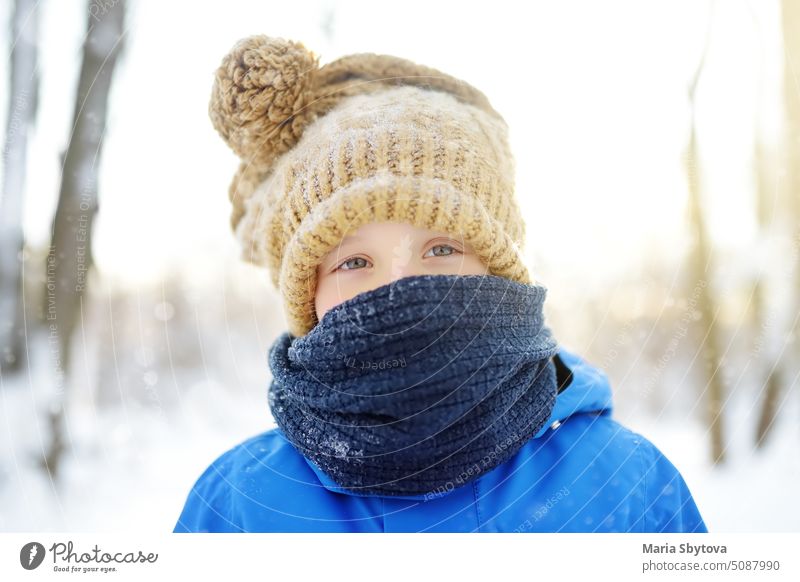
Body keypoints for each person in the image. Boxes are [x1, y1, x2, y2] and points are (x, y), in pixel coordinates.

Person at [173, 35, 707, 533]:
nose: (398, 286)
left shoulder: (629, 488)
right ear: (306, 298)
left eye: (442, 249)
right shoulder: (238, 506)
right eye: (354, 262)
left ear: (500, 271)